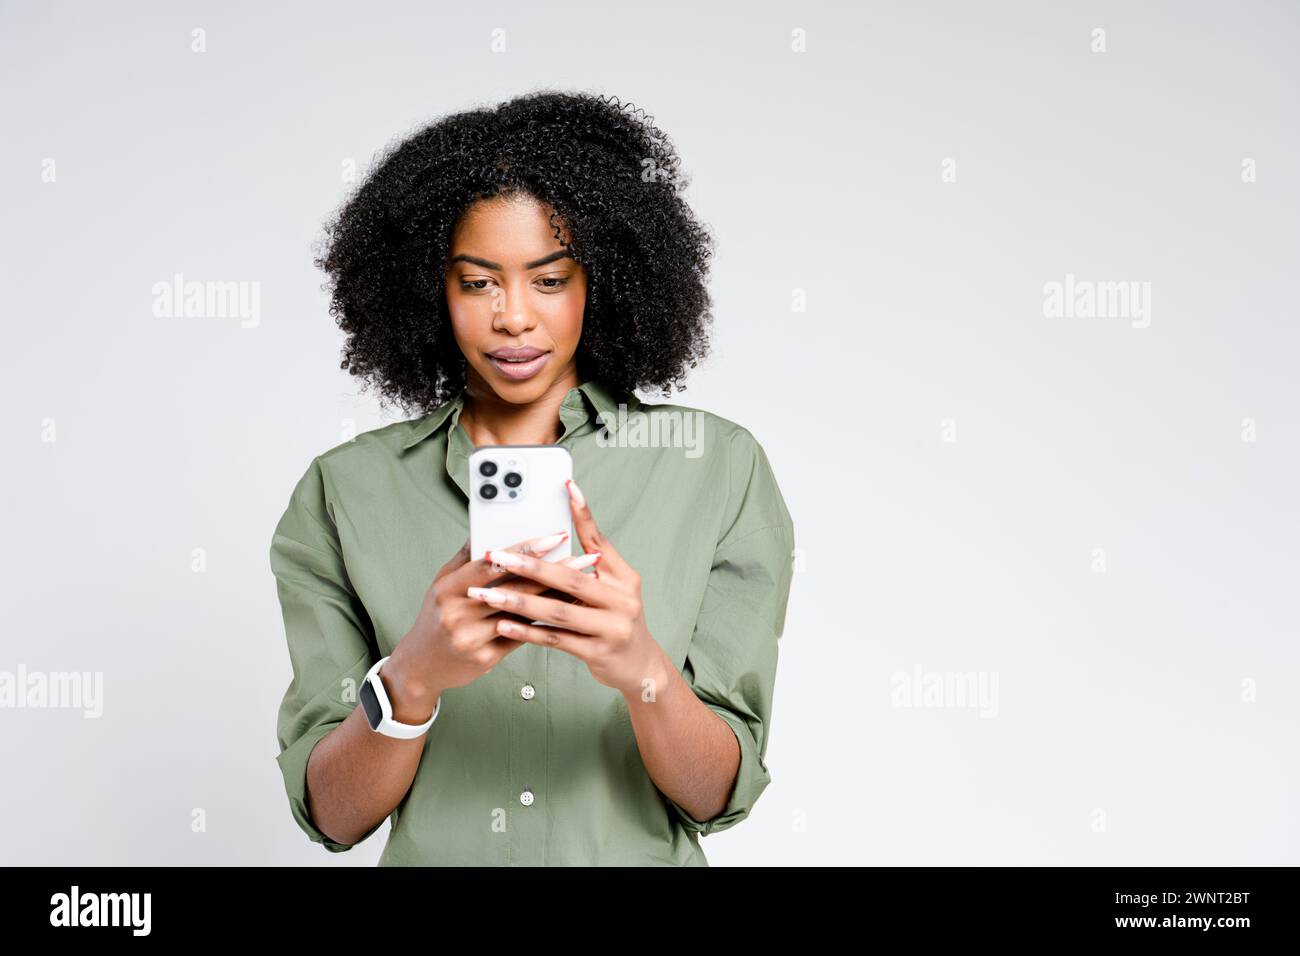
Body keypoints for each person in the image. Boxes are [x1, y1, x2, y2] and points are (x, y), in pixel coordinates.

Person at [270, 89, 796, 865]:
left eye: (549, 280)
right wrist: (411, 678)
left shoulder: (715, 468)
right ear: (428, 290)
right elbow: (334, 817)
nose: (513, 317)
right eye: (477, 282)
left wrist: (643, 669)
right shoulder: (345, 491)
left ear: (604, 282)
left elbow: (717, 794)